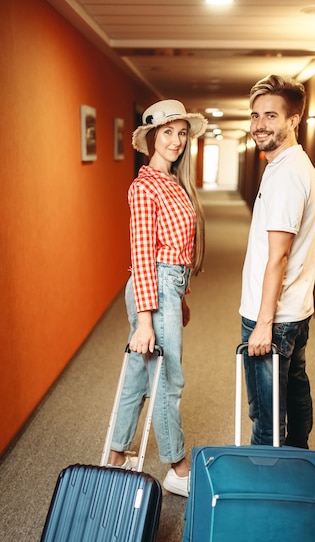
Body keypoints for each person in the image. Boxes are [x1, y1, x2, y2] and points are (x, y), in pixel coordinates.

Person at [107, 100, 207, 497]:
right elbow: (143, 256)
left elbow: (177, 249)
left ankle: (116, 455)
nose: (177, 140)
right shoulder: (144, 186)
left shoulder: (174, 183)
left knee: (137, 374)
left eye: (182, 133)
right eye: (167, 132)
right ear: (150, 136)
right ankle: (178, 468)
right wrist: (147, 319)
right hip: (154, 287)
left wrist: (180, 296)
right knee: (166, 380)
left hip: (169, 287)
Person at [239, 75, 315, 449]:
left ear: (293, 120)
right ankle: (298, 466)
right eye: (255, 115)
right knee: (293, 394)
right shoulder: (288, 165)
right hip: (295, 310)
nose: (259, 125)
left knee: (267, 418)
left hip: (273, 318)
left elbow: (279, 256)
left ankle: (267, 493)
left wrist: (263, 324)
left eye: (271, 115)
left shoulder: (288, 175)